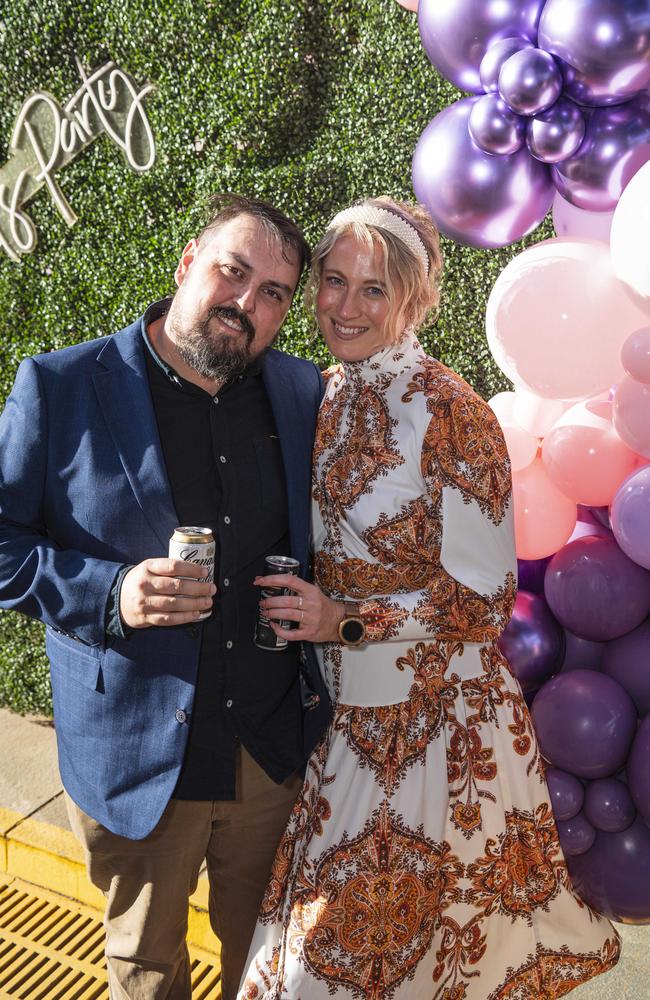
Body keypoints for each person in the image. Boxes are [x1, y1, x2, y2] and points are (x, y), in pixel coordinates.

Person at [238, 197, 621, 998]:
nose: (344, 306)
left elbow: (484, 604)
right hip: (349, 724)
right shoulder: (328, 394)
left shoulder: (454, 414)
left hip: (440, 733)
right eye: (334, 282)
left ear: (416, 299)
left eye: (373, 290)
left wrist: (341, 618)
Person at [0, 193, 331, 1000]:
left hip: (269, 755)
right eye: (234, 271)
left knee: (269, 968)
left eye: (274, 294)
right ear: (188, 263)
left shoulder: (302, 392)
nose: (246, 304)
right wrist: (111, 593)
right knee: (148, 974)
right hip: (136, 758)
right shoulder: (61, 385)